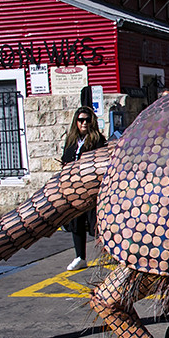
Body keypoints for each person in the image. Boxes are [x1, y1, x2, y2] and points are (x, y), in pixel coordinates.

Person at [61, 106, 107, 271]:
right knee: (76, 222)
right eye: (81, 120)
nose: (84, 123)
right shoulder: (71, 141)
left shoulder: (97, 140)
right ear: (76, 122)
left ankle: (109, 253)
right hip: (75, 188)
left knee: (97, 222)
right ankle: (80, 256)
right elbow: (65, 160)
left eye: (87, 120)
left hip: (92, 188)